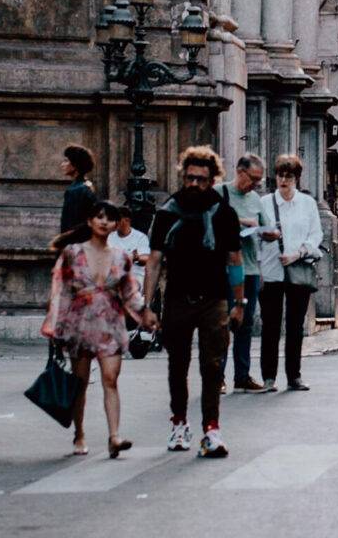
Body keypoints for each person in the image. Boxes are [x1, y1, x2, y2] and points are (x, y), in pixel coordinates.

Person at [143, 147, 246, 458]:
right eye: (189, 178)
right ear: (182, 176)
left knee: (212, 366)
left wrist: (239, 303)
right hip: (177, 297)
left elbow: (234, 259)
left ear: (212, 179)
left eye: (201, 179)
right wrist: (146, 306)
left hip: (214, 298)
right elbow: (154, 261)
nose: (194, 184)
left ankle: (211, 429)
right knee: (178, 364)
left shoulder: (224, 213)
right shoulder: (167, 212)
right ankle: (179, 423)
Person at [43, 202, 158, 458]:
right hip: (80, 323)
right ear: (90, 221)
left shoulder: (120, 256)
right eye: (99, 217)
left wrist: (145, 314)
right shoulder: (72, 253)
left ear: (116, 224)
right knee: (80, 383)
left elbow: (130, 292)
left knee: (110, 379)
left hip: (110, 323)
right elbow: (59, 290)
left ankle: (114, 436)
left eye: (110, 219)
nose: (104, 222)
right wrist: (55, 325)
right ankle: (79, 434)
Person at [257, 153, 321, 392]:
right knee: (270, 325)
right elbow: (256, 236)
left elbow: (316, 235)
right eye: (280, 175)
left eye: (289, 176)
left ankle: (294, 375)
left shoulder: (307, 204)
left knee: (295, 326)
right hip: (270, 270)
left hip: (298, 269)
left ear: (297, 178)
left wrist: (298, 253)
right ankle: (268, 378)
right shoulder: (264, 203)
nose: (283, 181)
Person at [214, 155, 264, 391]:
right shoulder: (218, 192)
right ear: (239, 171)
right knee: (222, 322)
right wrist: (242, 221)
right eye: (253, 179)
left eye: (259, 181)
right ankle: (218, 377)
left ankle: (242, 376)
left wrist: (268, 232)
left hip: (251, 268)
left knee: (245, 324)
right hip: (223, 268)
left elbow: (265, 226)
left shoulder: (256, 199)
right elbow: (211, 223)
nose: (255, 184)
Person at [59, 145, 99, 235]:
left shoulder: (75, 190)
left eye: (66, 161)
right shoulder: (88, 185)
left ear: (75, 165)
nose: (62, 164)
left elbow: (70, 223)